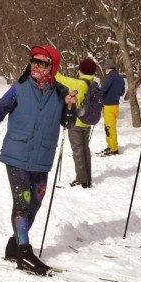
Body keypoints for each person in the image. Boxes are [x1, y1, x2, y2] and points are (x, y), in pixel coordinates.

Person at [0, 44, 77, 275]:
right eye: (34, 61)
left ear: (53, 66)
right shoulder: (19, 88)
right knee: (23, 201)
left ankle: (14, 245)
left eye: (43, 62)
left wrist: (71, 107)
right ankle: (24, 252)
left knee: (35, 202)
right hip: (17, 153)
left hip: (42, 155)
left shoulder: (62, 93)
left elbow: (69, 124)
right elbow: (0, 108)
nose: (37, 66)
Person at [56, 58, 99, 188]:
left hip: (76, 123)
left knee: (78, 152)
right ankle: (87, 179)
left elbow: (58, 77)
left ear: (81, 70)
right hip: (87, 122)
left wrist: (52, 64)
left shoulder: (79, 83)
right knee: (85, 150)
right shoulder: (94, 83)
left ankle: (82, 180)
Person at [98, 58, 126, 156]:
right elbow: (122, 93)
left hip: (108, 106)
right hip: (116, 106)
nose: (105, 70)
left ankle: (113, 149)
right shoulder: (121, 78)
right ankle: (110, 146)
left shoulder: (109, 77)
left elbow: (102, 91)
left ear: (108, 68)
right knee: (110, 127)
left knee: (109, 128)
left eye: (105, 68)